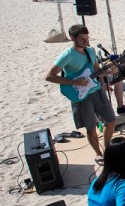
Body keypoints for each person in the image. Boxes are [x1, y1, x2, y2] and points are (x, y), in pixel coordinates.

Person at [45, 24, 117, 164]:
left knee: (111, 120)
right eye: (82, 39)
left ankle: (108, 149)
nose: (86, 41)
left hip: (96, 90)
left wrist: (109, 72)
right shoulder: (67, 56)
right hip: (81, 95)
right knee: (91, 127)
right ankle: (98, 153)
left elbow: (96, 71)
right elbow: (49, 76)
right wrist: (74, 82)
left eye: (87, 38)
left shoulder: (91, 51)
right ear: (72, 38)